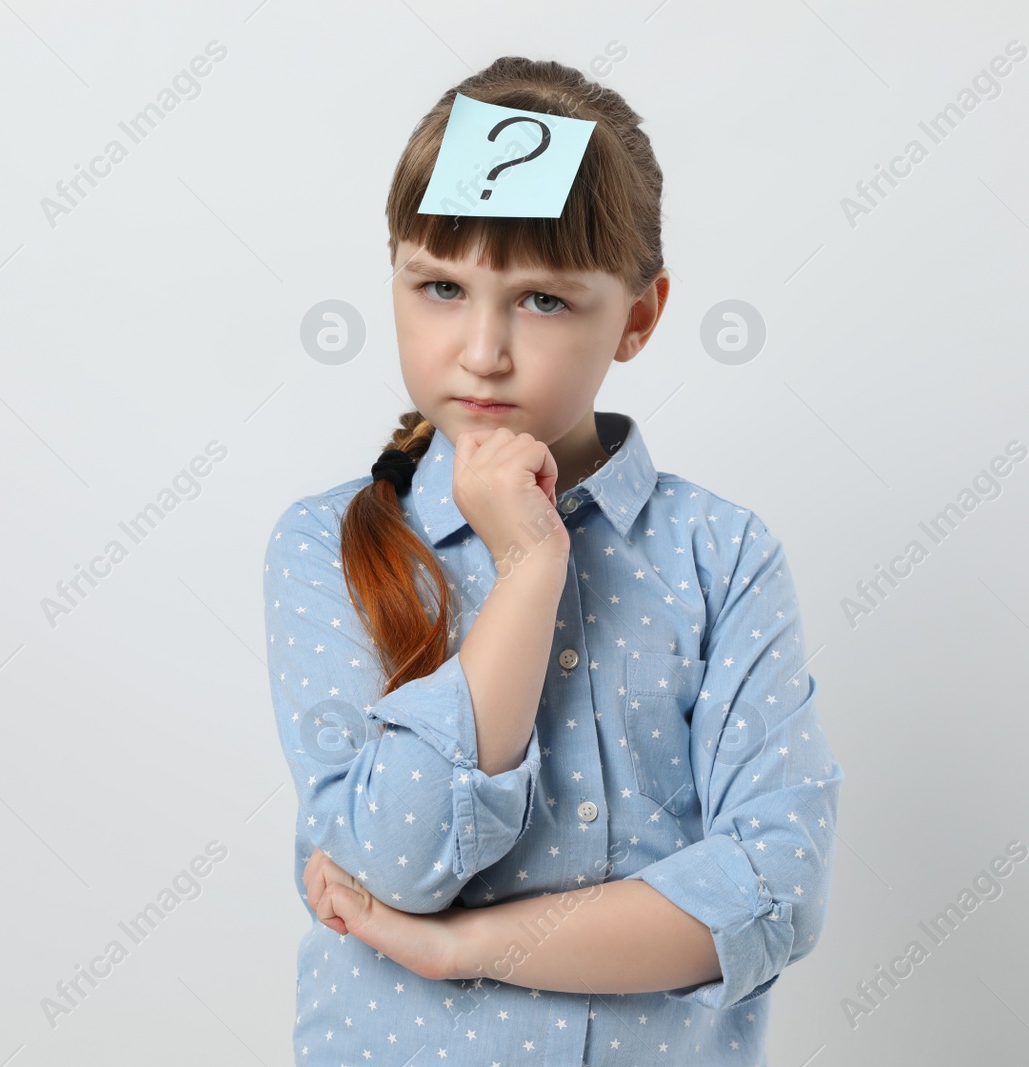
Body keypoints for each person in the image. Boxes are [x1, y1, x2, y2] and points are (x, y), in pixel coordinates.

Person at [263, 55, 843, 1065]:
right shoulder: (326, 545)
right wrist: (529, 566)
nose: (481, 348)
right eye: (442, 286)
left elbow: (776, 884)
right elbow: (395, 859)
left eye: (541, 301)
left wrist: (467, 948)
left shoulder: (722, 555)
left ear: (639, 316)